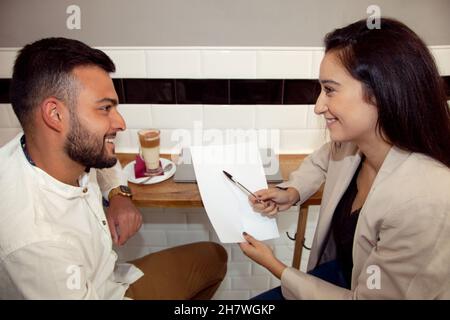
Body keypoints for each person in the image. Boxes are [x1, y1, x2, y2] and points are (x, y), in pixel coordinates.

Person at [0, 37, 227, 299]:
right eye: (105, 108)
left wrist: (118, 194)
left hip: (110, 279)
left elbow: (104, 160)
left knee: (214, 257)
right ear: (55, 114)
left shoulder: (50, 148)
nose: (120, 123)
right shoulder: (35, 242)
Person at [239, 18, 450, 299]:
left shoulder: (425, 201)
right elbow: (324, 158)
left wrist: (277, 267)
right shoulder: (356, 145)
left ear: (380, 92)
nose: (318, 106)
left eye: (330, 90)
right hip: (346, 272)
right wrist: (291, 192)